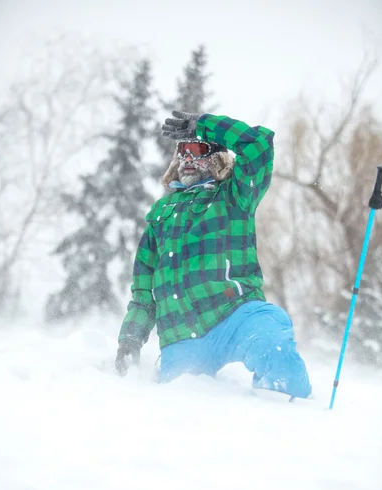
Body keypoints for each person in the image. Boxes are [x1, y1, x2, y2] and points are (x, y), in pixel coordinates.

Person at [115, 110, 312, 399]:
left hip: (237, 314)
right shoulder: (160, 215)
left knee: (277, 354)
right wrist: (131, 338)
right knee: (181, 403)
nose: (188, 158)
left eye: (198, 149)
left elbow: (257, 146)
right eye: (182, 151)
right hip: (182, 336)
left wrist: (203, 125)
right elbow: (144, 291)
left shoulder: (234, 196)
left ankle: (290, 416)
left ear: (218, 159)